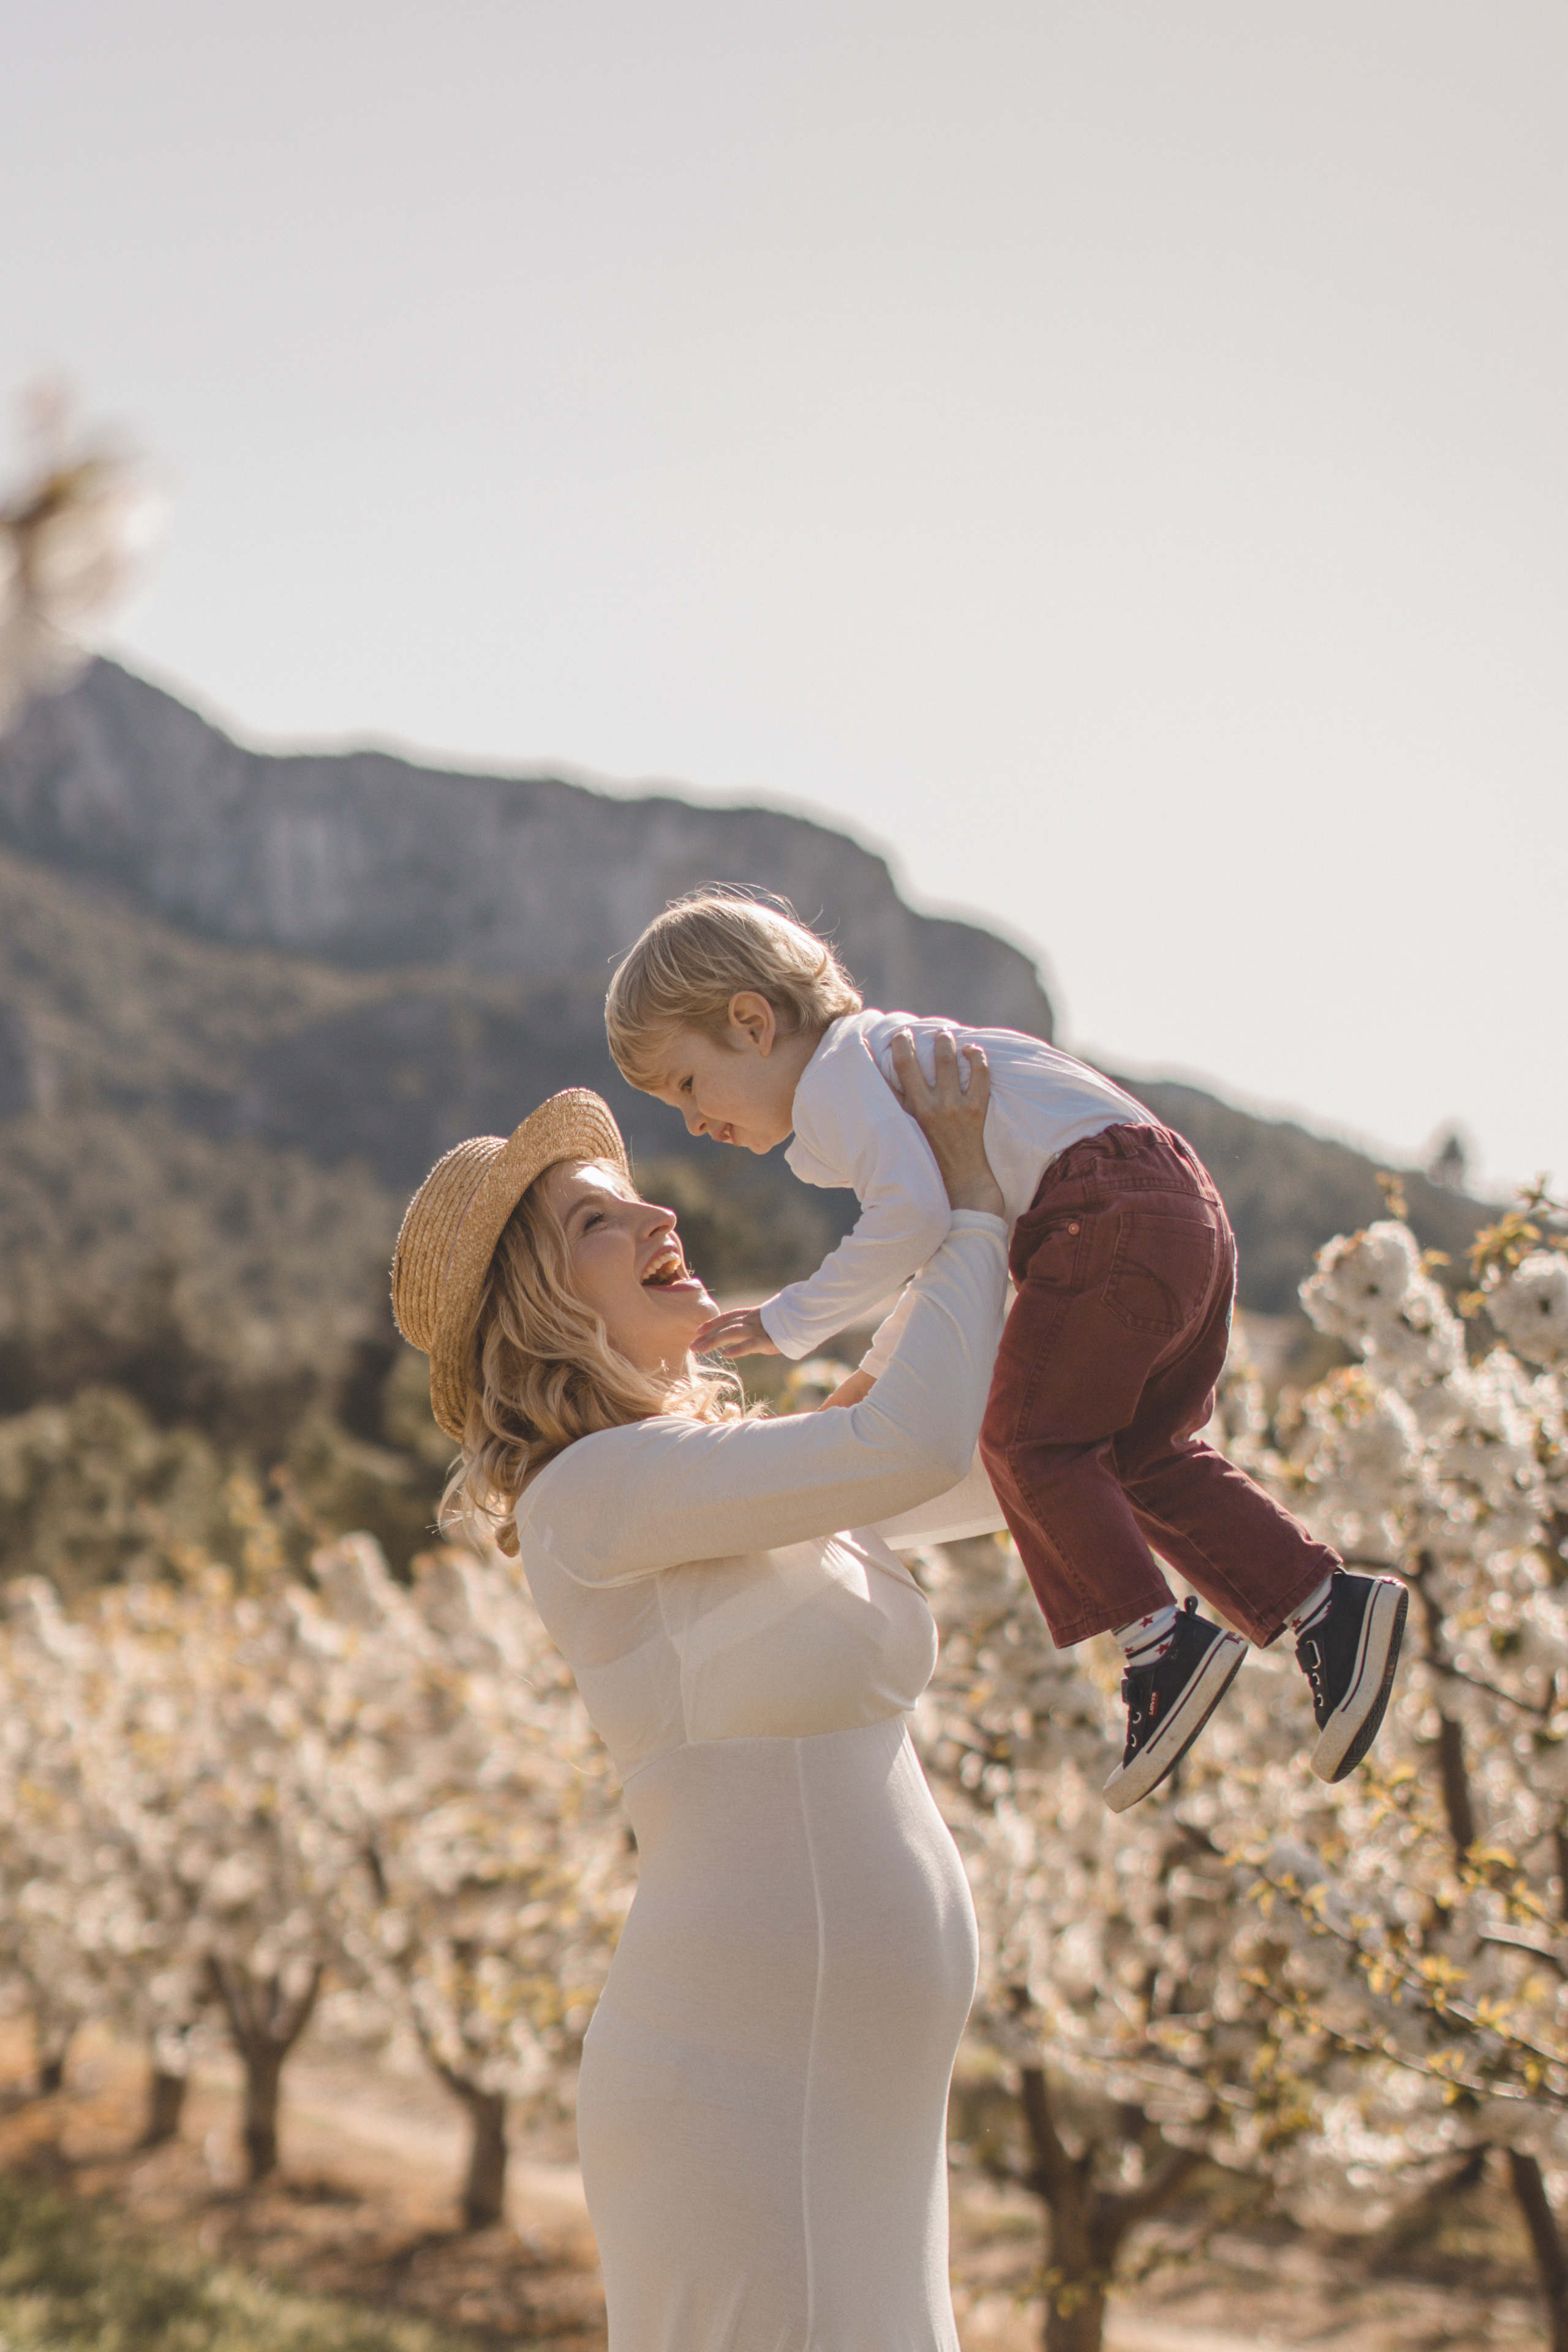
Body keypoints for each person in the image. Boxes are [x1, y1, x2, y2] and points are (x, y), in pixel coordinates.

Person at [390, 1042, 1009, 2352]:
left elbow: (979, 1464)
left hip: (860, 2091)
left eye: (635, 1197)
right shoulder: (593, 1493)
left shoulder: (732, 1475)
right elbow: (908, 1441)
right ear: (541, 1307)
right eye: (596, 1223)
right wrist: (965, 1214)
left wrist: (1020, 1217)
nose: (658, 1214)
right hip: (734, 2084)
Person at [604, 888, 1408, 1812]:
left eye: (688, 1085)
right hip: (1180, 1211)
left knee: (1026, 1440)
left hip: (1100, 1209)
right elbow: (955, 1246)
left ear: (752, 1024)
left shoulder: (838, 1076)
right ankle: (1325, 1606)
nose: (693, 1123)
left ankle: (1160, 1644)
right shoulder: (891, 1058)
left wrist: (790, 1321)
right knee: (1138, 1457)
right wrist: (871, 1379)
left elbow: (911, 1219)